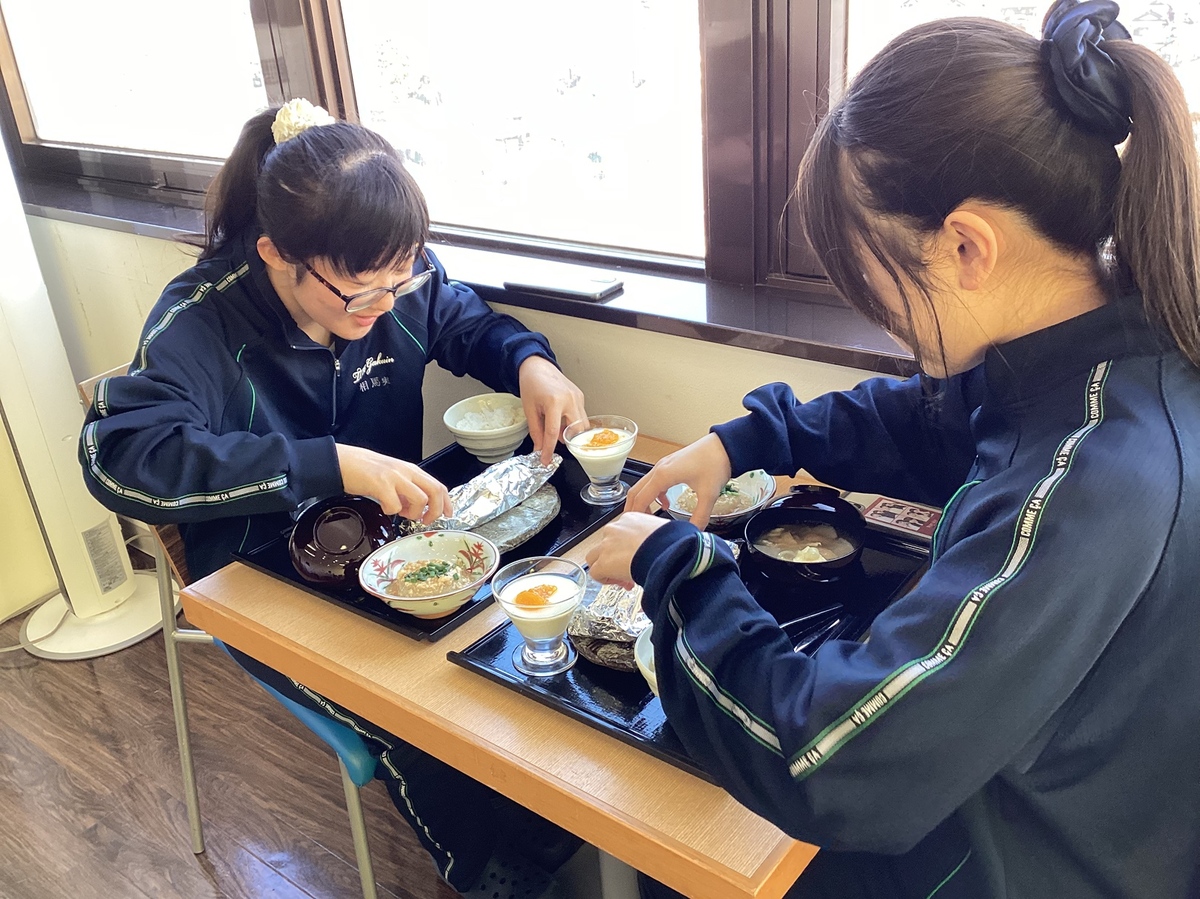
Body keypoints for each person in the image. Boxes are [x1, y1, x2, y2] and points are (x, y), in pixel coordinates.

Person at [585, 2, 1200, 897]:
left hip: (1022, 859)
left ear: (966, 245)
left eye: (873, 278)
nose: (877, 315)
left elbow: (829, 764)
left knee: (676, 849)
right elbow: (929, 419)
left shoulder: (1090, 479)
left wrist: (677, 566)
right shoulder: (1103, 356)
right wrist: (745, 440)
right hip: (1021, 793)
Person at [79, 99, 585, 898]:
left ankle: (543, 832)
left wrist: (531, 362)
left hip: (395, 548)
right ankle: (486, 867)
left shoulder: (388, 276)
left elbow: (465, 322)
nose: (385, 304)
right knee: (414, 715)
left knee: (517, 634)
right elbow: (121, 458)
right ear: (277, 254)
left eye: (401, 278)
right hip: (260, 573)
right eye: (358, 294)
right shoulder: (202, 320)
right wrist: (329, 463)